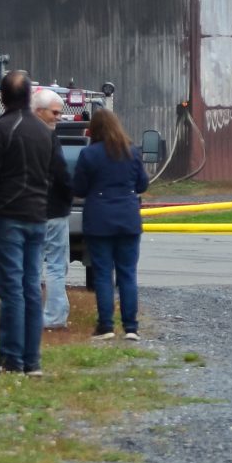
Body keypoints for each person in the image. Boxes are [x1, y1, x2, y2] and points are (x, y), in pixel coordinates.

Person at [0, 68, 56, 377]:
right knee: (31, 287)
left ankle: (11, 358)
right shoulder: (43, 132)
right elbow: (51, 174)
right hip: (37, 216)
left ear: (1, 97)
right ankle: (31, 361)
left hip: (7, 217)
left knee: (11, 289)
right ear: (29, 96)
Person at [73, 106, 150, 342]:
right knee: (128, 274)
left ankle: (106, 325)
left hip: (99, 219)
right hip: (128, 217)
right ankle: (131, 327)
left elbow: (79, 188)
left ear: (93, 129)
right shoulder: (132, 152)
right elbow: (142, 185)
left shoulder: (89, 154)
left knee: (103, 274)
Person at [34, 87, 73, 334]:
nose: (59, 118)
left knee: (33, 265)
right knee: (57, 266)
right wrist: (69, 195)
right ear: (39, 111)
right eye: (55, 113)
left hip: (30, 210)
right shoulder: (49, 138)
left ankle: (29, 314)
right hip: (55, 211)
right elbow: (61, 173)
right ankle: (55, 316)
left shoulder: (21, 134)